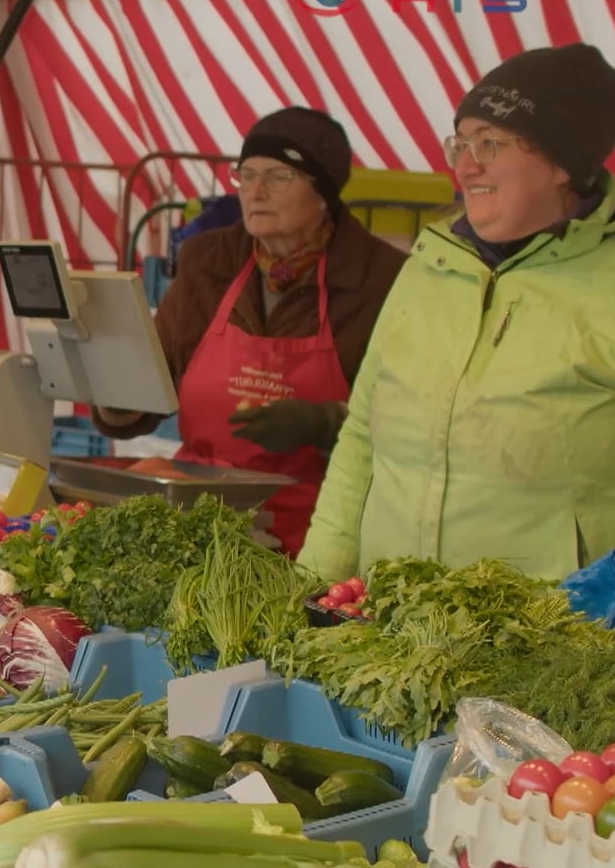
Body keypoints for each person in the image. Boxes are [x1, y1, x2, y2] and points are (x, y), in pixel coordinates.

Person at [302, 44, 615, 582]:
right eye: (461, 142)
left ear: (562, 164)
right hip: (394, 628)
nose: (465, 164)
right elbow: (362, 435)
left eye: (491, 143)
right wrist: (313, 584)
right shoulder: (429, 263)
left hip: (559, 649)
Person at [94, 107, 407, 554]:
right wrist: (114, 389)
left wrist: (325, 423)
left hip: (317, 529)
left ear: (324, 192)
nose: (256, 191)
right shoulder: (209, 261)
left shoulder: (380, 279)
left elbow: (408, 421)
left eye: (278, 176)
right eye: (247, 174)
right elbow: (149, 388)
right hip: (195, 519)